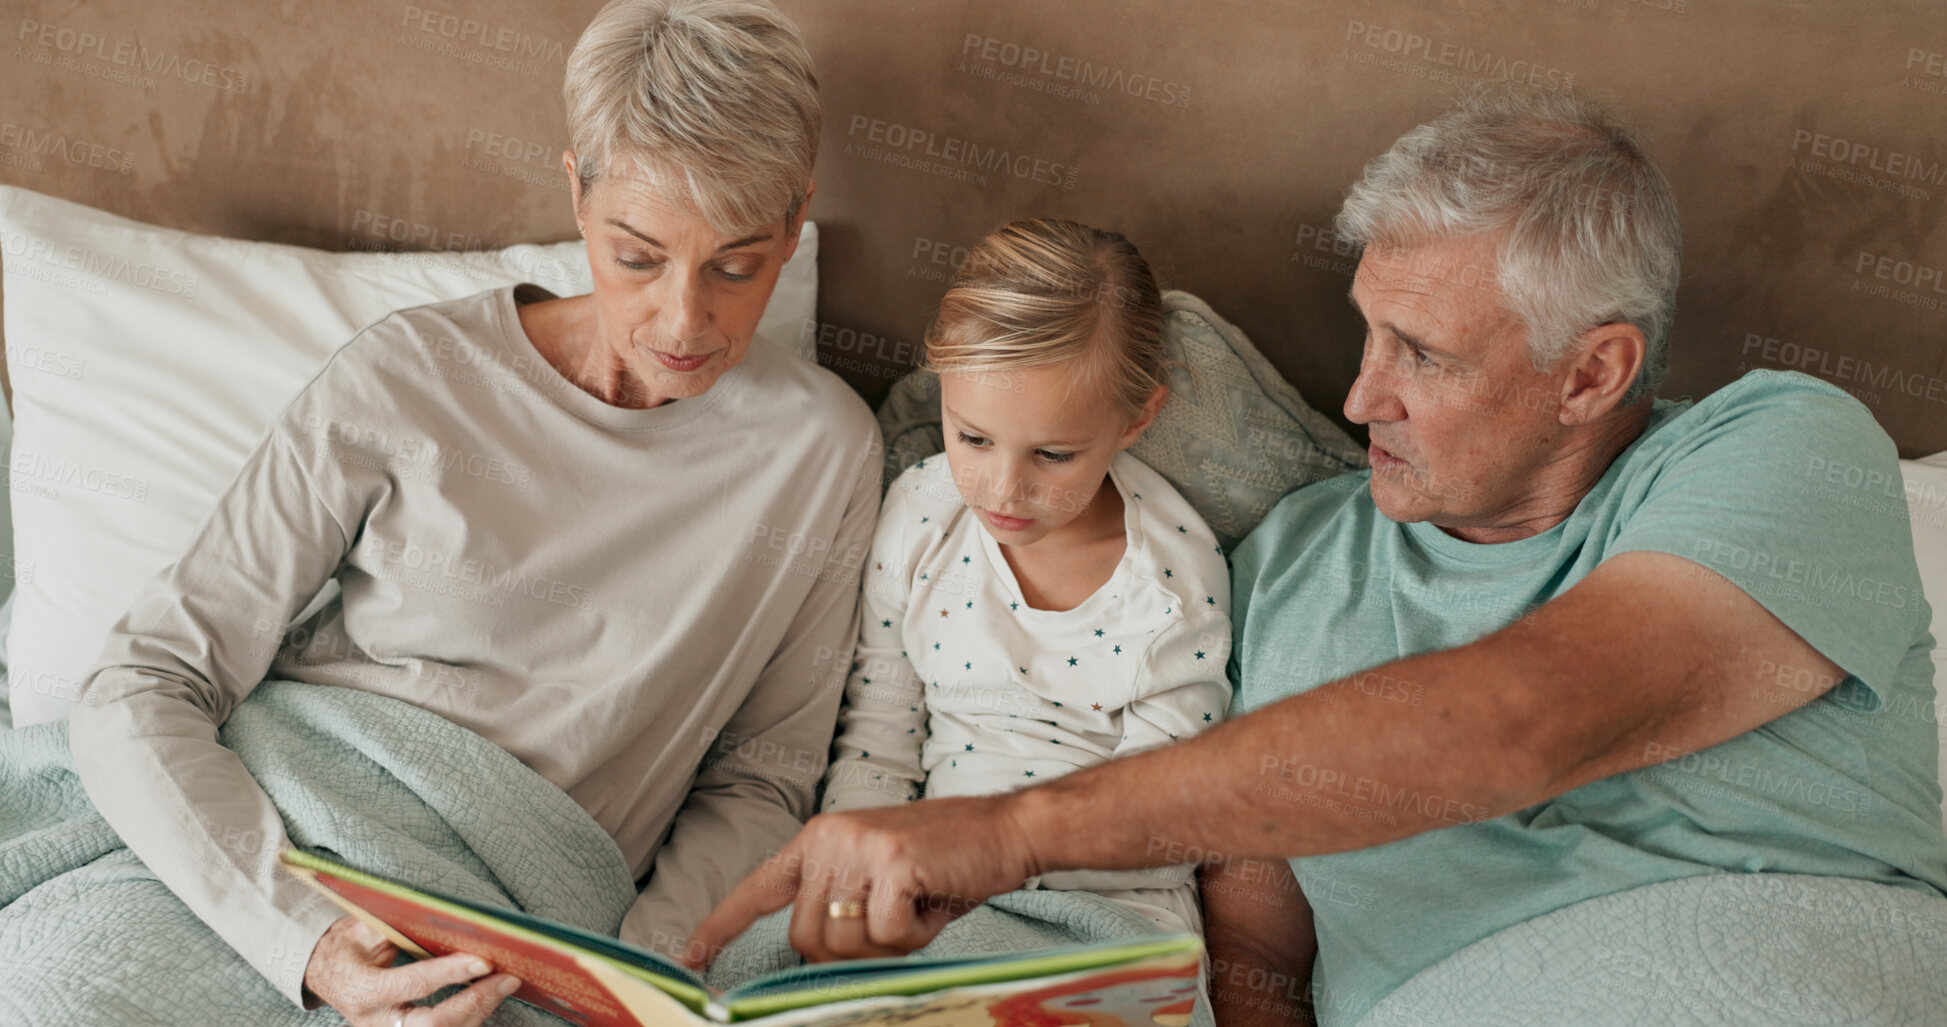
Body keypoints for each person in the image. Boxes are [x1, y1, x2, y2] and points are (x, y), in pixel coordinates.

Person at [682, 88, 1947, 1026]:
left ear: (1594, 371)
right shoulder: (1294, 562)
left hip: (1776, 956)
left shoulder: (1780, 448)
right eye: (1365, 338)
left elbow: (1524, 719)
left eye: (1423, 354)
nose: (1359, 398)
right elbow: (1259, 959)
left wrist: (1013, 832)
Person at [65, 1, 881, 1025]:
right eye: (637, 255)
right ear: (577, 192)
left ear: (796, 222)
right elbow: (146, 676)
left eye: (737, 264)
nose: (685, 320)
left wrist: (636, 981)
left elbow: (761, 783)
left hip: (533, 926)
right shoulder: (409, 377)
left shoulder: (824, 453)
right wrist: (307, 937)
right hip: (270, 848)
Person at [815, 217, 1231, 959]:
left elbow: (1167, 827)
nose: (1002, 488)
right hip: (923, 897)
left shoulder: (1172, 583)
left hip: (1105, 916)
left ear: (1138, 417)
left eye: (1054, 454)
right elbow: (878, 739)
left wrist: (984, 862)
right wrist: (856, 884)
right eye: (972, 437)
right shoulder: (919, 516)